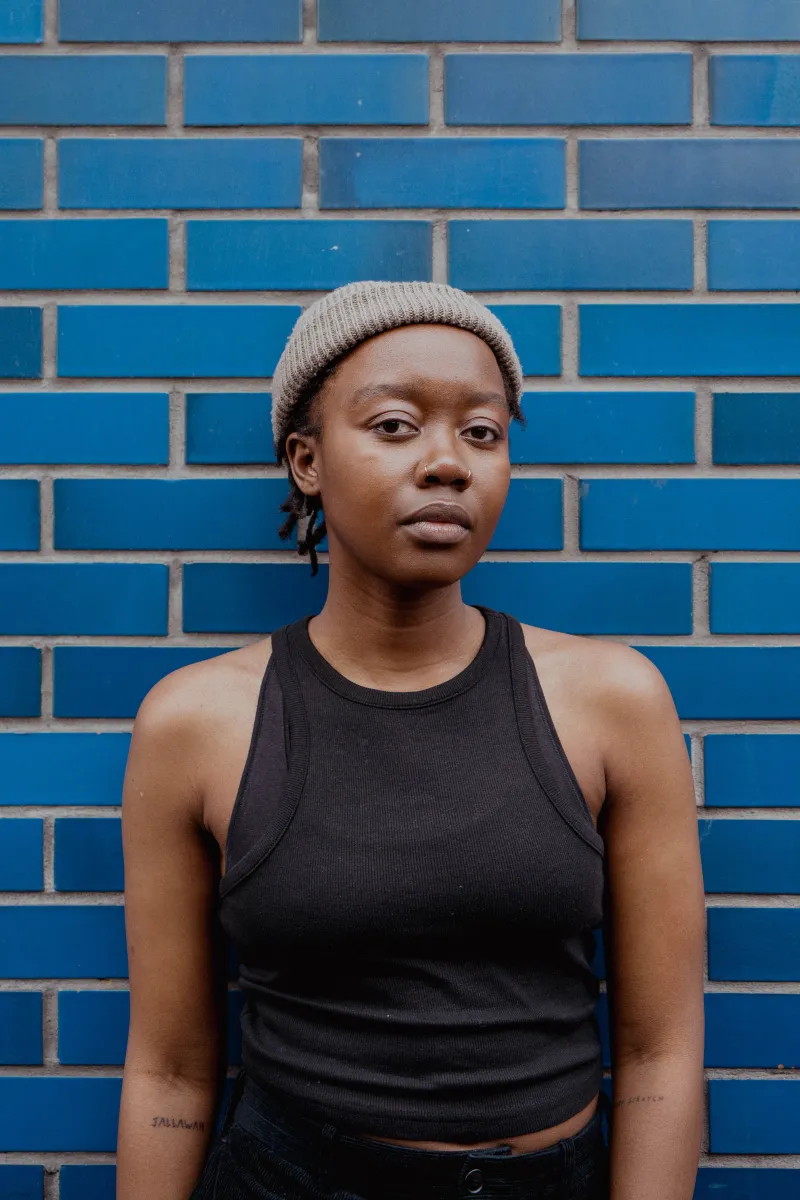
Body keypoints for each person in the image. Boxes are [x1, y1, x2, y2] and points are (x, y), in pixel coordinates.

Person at [115, 281, 705, 1200]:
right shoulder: (196, 723)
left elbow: (659, 1048)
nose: (448, 463)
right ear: (307, 461)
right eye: (394, 425)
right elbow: (171, 1067)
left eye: (483, 432)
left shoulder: (612, 702)